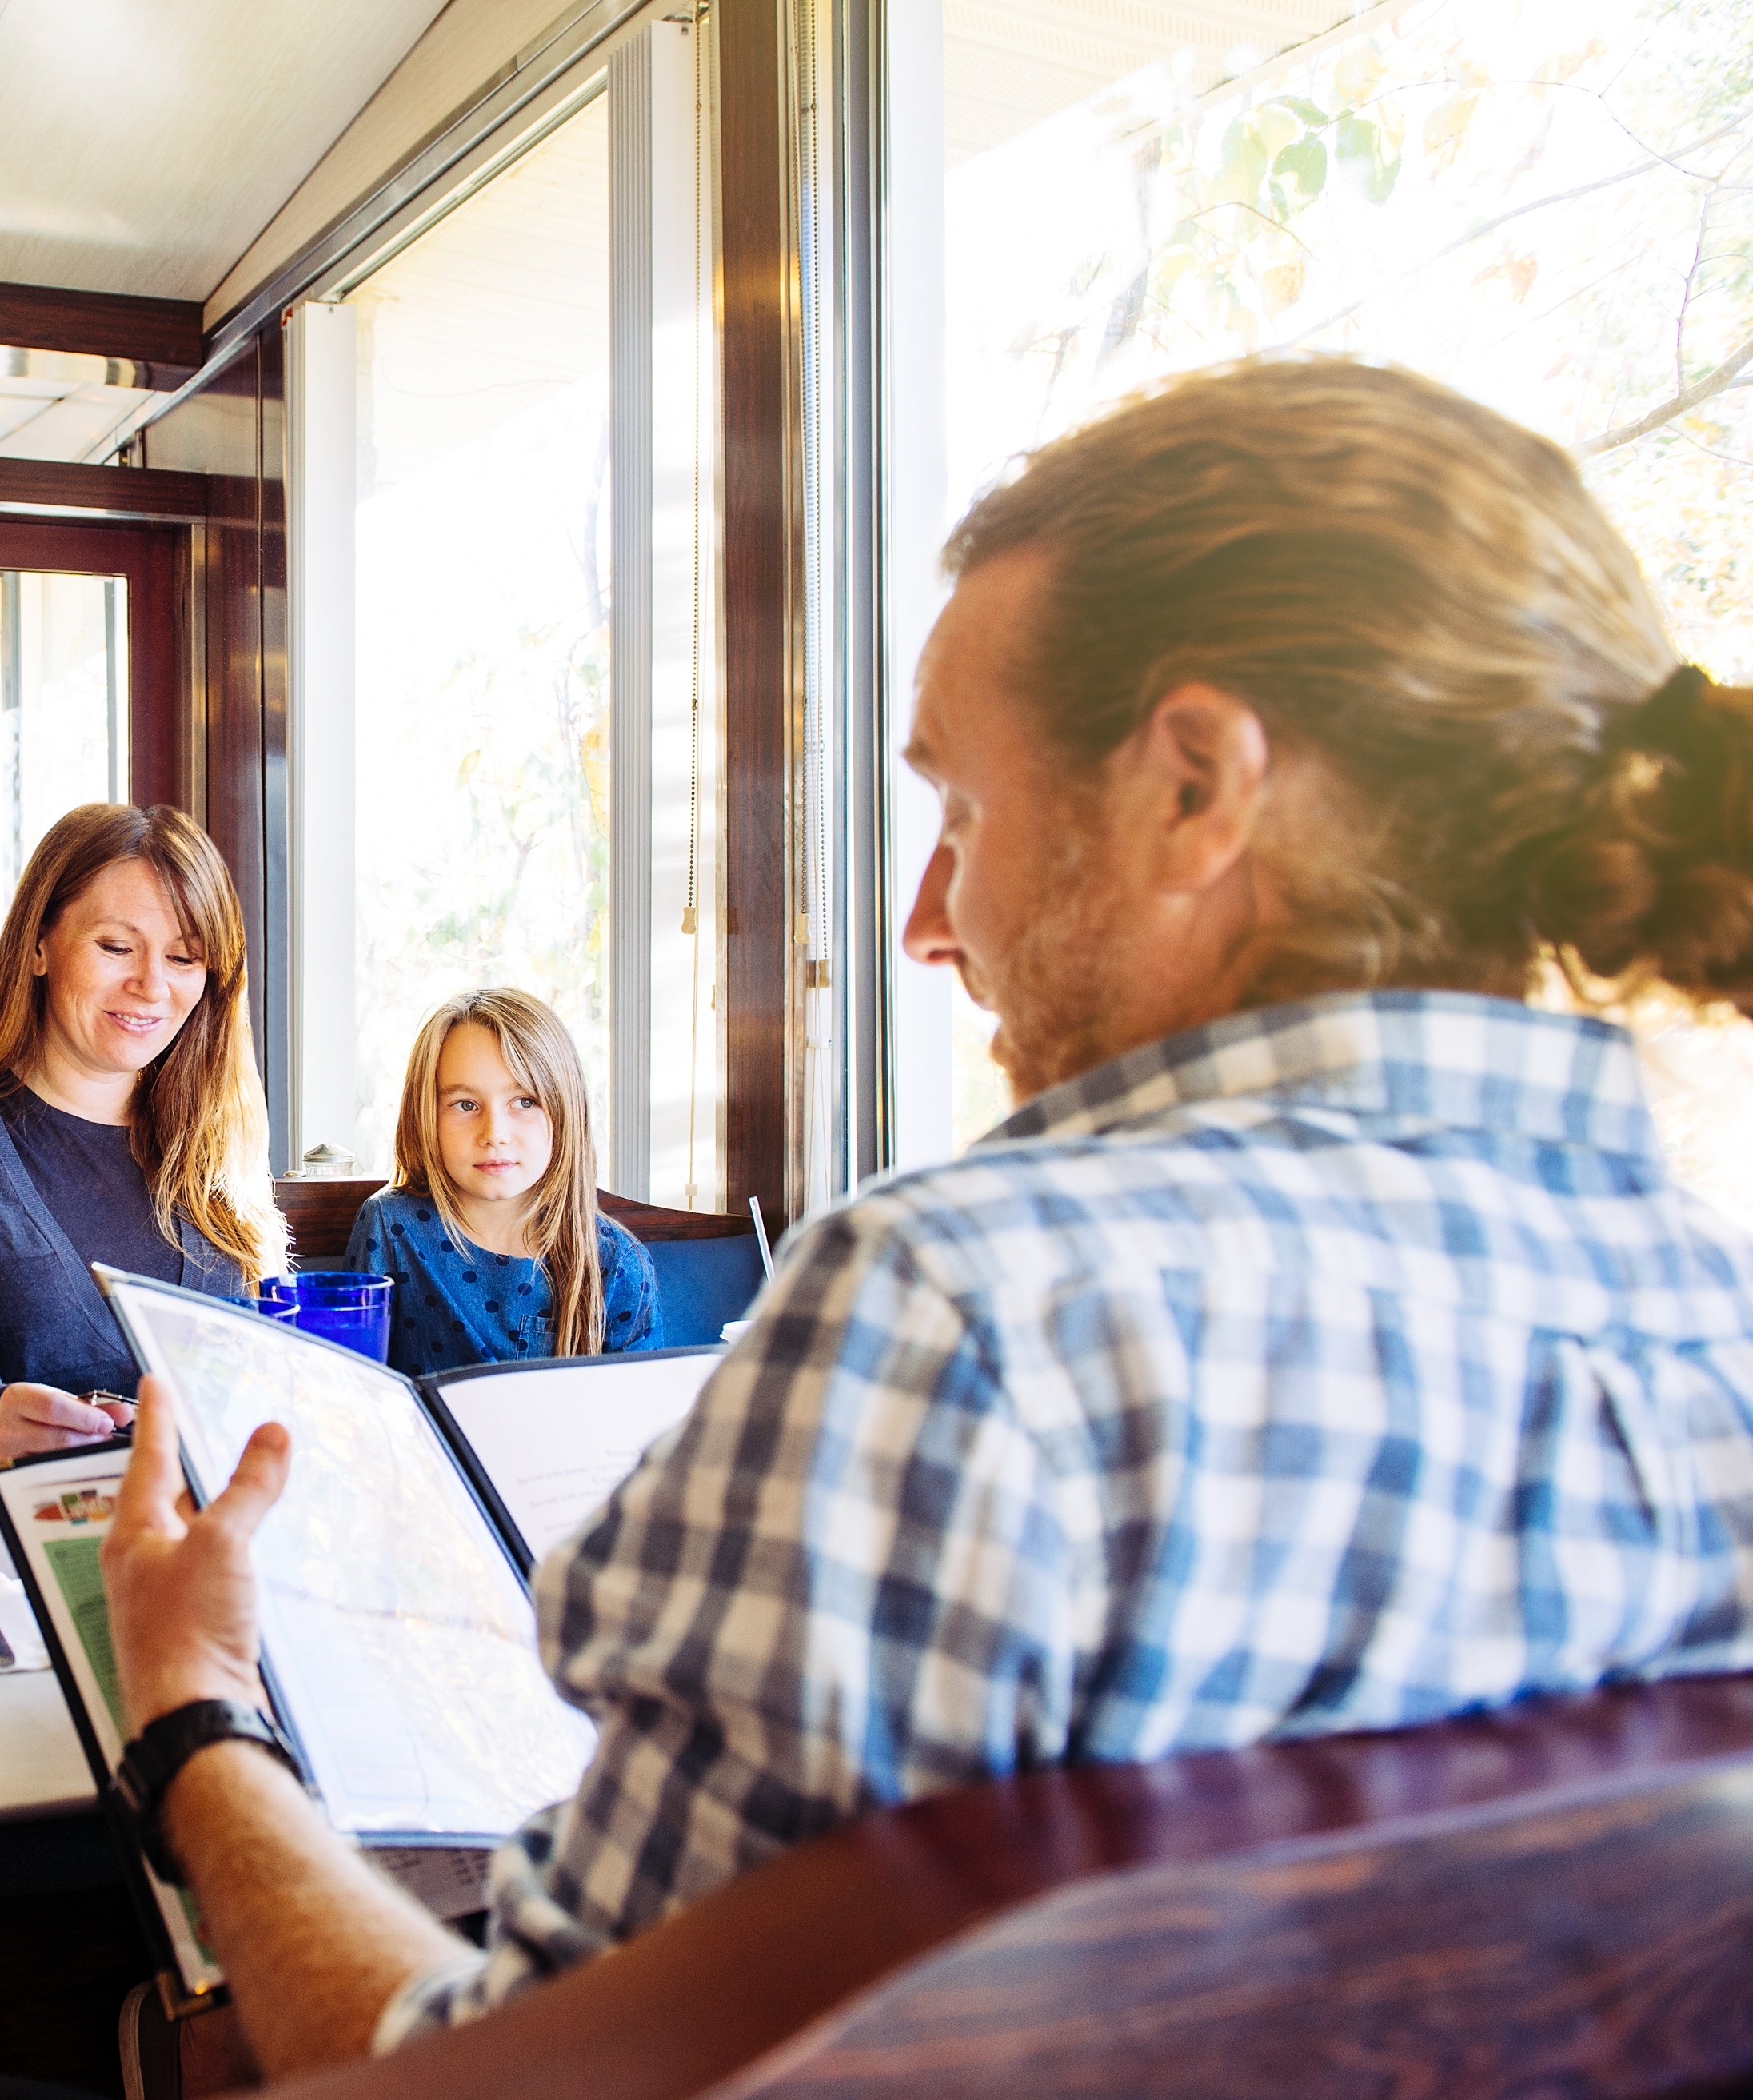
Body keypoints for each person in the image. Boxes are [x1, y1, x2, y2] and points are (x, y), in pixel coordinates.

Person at [85, 358, 1753, 2082]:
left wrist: (196, 1706)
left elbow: (486, 2074)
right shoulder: (1713, 1321)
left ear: (1196, 786)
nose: (924, 920)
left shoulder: (968, 1321)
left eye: (958, 804)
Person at [0, 803, 287, 1469]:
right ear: (39, 945)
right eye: (115, 947)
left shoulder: (211, 1143)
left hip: (201, 1535)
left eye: (184, 957)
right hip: (8, 1532)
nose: (150, 986)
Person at [345, 988, 658, 1374]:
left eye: (525, 1102)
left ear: (565, 1111)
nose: (495, 1133)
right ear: (427, 1114)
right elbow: (356, 1386)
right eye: (465, 1105)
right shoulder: (389, 1226)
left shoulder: (615, 1260)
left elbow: (638, 1416)